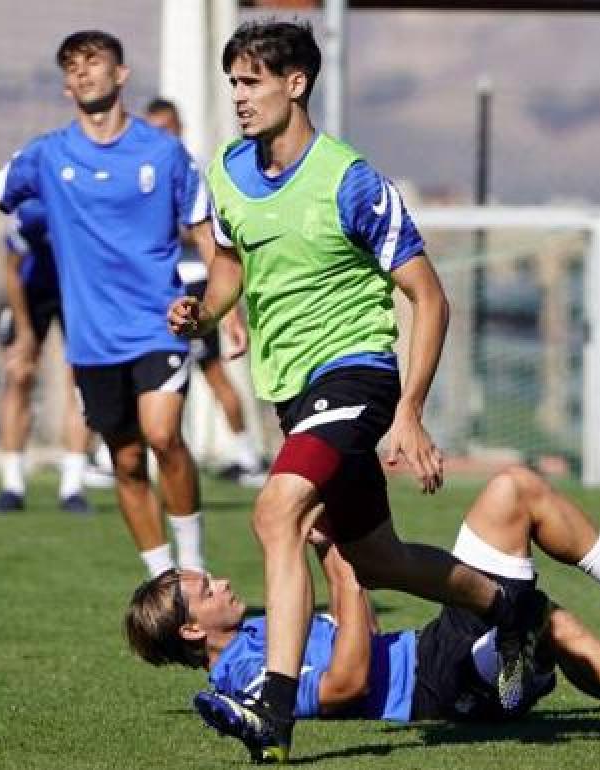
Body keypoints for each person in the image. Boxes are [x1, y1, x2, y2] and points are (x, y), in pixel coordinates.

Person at [168, 20, 541, 760]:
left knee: (276, 514)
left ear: (295, 83)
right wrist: (203, 312)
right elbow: (230, 268)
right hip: (292, 392)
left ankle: (272, 716)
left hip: (357, 374)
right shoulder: (226, 173)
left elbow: (430, 299)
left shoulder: (350, 181)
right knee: (376, 560)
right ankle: (513, 609)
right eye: (233, 82)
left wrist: (410, 412)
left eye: (251, 82)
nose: (238, 96)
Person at [124, 465, 600, 763]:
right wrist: (347, 566)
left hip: (430, 645)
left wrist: (332, 553)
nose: (222, 581)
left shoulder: (260, 627)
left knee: (514, 491)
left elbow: (361, 635)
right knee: (543, 617)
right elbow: (347, 683)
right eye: (206, 588)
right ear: (191, 628)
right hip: (434, 688)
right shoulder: (243, 676)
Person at [0, 30, 211, 577]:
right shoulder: (47, 155)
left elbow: (207, 233)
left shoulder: (163, 152)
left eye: (93, 61)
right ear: (65, 87)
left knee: (163, 435)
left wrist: (222, 309)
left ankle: (194, 568)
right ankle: (164, 581)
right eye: (71, 66)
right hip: (93, 340)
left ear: (121, 74)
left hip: (159, 324)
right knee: (127, 460)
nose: (81, 71)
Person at [143, 97, 266, 487]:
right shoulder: (147, 169)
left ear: (179, 128)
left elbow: (205, 230)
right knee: (148, 370)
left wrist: (228, 313)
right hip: (159, 286)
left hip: (194, 285)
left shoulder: (192, 170)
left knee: (212, 373)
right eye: (153, 130)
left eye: (166, 129)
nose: (161, 137)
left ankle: (249, 457)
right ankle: (114, 456)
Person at [0, 197, 92, 514]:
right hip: (31, 293)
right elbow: (11, 270)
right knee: (19, 376)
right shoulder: (33, 211)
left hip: (77, 295)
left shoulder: (91, 206)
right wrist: (24, 330)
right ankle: (12, 485)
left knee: (82, 383)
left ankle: (73, 487)